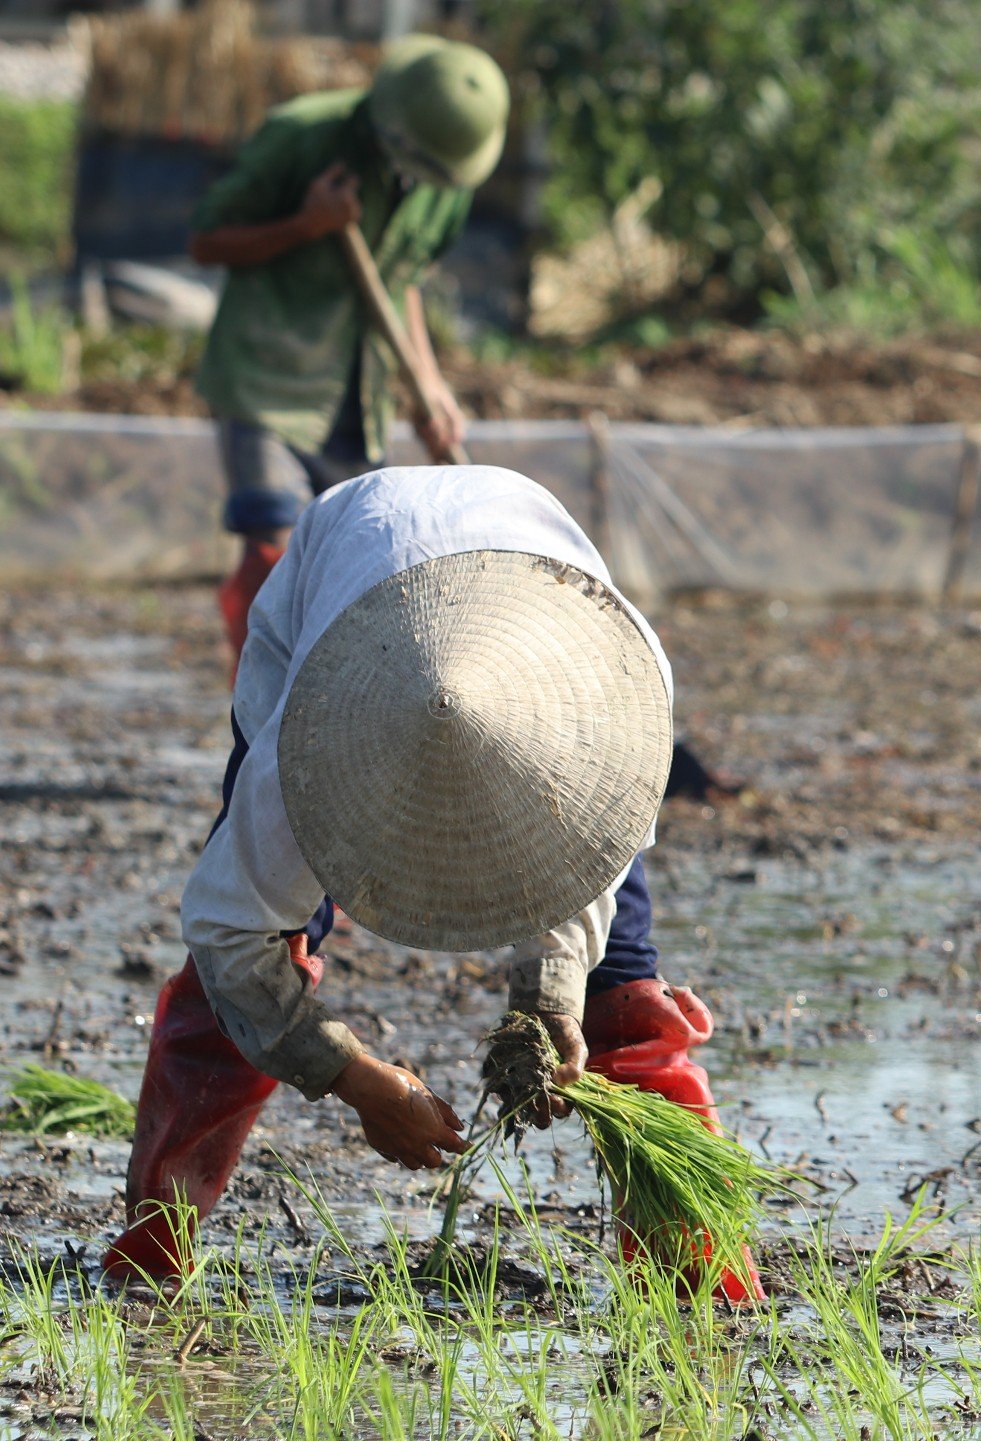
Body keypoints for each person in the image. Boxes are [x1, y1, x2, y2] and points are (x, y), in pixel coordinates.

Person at [105, 463, 761, 1303]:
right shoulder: (301, 751)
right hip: (347, 584)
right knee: (251, 958)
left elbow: (590, 870)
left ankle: (701, 1279)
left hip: (529, 597)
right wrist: (352, 1075)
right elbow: (228, 930)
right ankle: (156, 1245)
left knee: (619, 981)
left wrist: (550, 1004)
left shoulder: (614, 701)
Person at [189, 36, 505, 661]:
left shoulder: (446, 173)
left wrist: (428, 382)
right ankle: (260, 725)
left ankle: (335, 735)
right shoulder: (303, 136)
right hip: (268, 382)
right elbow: (208, 241)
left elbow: (401, 277)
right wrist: (303, 226)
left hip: (360, 399)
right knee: (275, 562)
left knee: (360, 569)